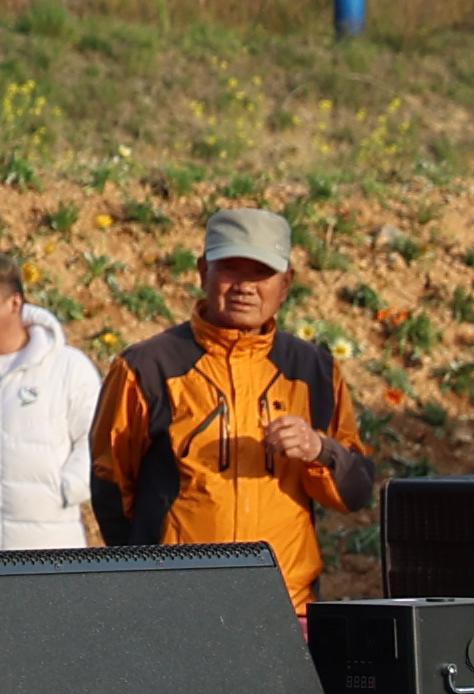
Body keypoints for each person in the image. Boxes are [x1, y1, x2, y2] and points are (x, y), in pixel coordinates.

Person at [92, 204, 355, 606]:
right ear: (203, 272)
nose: (245, 286)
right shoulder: (146, 367)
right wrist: (148, 581)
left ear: (286, 284)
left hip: (286, 607)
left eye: (261, 273)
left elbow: (355, 490)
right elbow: (111, 488)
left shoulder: (315, 370)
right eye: (230, 269)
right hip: (177, 609)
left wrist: (319, 449)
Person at [0, 250, 101, 549]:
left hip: (52, 551)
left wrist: (66, 489)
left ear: (14, 302)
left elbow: (96, 441)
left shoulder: (68, 367)